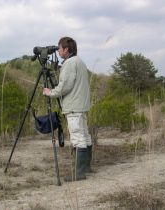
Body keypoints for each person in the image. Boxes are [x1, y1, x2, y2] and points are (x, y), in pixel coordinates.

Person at [43, 36, 92, 181]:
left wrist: (50, 92)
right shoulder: (80, 61)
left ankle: (79, 174)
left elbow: (65, 86)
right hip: (81, 105)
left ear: (66, 49)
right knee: (85, 136)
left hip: (73, 106)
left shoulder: (70, 63)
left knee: (78, 138)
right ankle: (86, 168)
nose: (58, 51)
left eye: (60, 48)